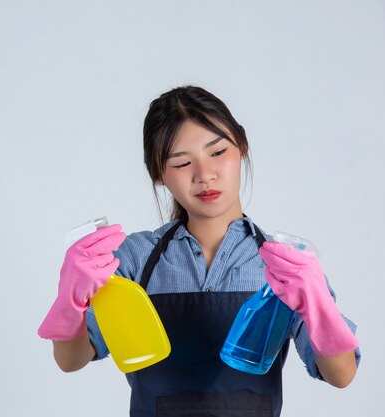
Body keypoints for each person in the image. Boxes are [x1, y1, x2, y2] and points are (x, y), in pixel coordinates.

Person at [37, 86, 360, 417]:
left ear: (242, 148)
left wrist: (317, 306)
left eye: (218, 152)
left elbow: (341, 374)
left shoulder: (285, 266)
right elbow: (71, 360)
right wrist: (69, 303)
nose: (205, 174)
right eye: (182, 162)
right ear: (158, 174)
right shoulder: (134, 259)